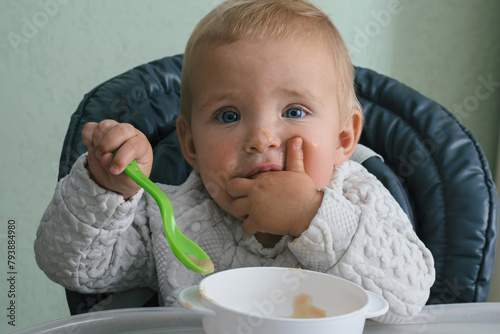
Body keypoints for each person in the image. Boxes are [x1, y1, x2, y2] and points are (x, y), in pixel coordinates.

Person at [35, 0, 435, 323]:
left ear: (343, 138)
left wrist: (312, 216)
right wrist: (110, 188)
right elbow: (72, 266)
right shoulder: (173, 218)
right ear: (190, 144)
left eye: (294, 111)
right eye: (229, 115)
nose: (260, 139)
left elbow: (410, 295)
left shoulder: (358, 198)